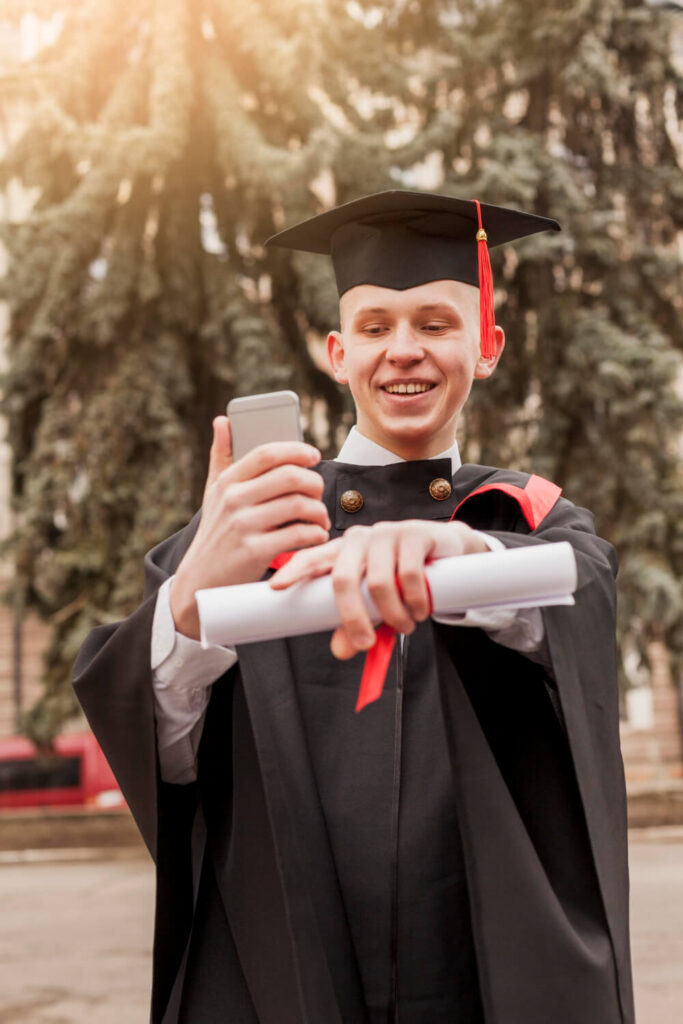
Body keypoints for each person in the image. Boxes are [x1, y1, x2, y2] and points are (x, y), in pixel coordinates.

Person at [73, 191, 634, 1024]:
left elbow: (576, 596)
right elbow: (170, 754)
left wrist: (457, 555)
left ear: (485, 347)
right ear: (338, 353)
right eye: (374, 328)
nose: (402, 351)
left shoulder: (525, 522)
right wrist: (191, 596)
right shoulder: (249, 521)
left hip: (486, 967)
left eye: (435, 324)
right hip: (289, 963)